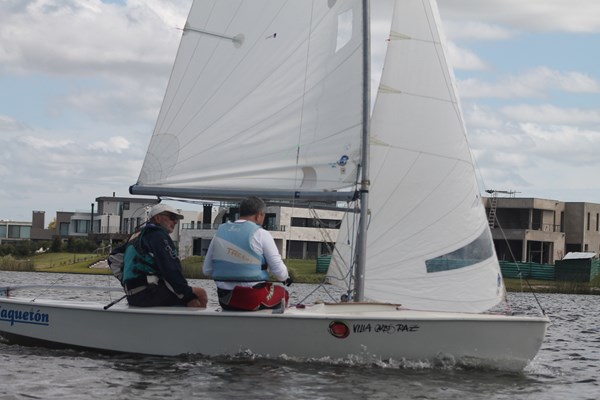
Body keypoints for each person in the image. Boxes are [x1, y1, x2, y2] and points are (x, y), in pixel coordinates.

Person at [203, 196, 291, 311]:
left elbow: (206, 270)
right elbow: (281, 274)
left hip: (225, 300)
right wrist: (286, 277)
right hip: (251, 299)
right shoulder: (261, 234)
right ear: (259, 215)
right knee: (283, 293)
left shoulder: (218, 234)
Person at [123, 203, 208, 308]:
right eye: (172, 217)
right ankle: (200, 317)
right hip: (149, 295)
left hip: (133, 296)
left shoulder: (136, 236)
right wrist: (188, 294)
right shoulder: (158, 235)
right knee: (200, 293)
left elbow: (113, 258)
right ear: (158, 218)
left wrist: (126, 284)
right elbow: (171, 269)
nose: (175, 222)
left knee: (184, 293)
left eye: (176, 219)